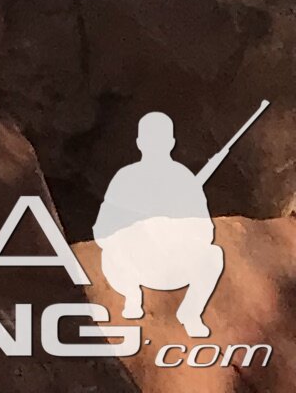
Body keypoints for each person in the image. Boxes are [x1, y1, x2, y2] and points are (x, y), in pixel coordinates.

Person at [96, 110, 231, 337]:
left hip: (172, 264)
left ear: (171, 143)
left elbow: (205, 232)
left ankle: (190, 313)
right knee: (111, 253)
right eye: (150, 140)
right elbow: (103, 231)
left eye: (159, 140)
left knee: (213, 255)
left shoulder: (184, 179)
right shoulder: (125, 178)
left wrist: (175, 228)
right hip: (133, 266)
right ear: (139, 143)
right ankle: (132, 296)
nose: (154, 145)